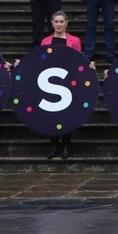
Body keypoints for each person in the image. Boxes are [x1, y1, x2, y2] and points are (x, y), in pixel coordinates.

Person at [39, 11, 84, 160]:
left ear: (66, 23)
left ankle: (65, 145)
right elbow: (41, 61)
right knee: (51, 115)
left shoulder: (75, 41)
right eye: (56, 21)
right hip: (49, 82)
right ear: (52, 23)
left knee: (67, 114)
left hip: (68, 81)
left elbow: (78, 60)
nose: (59, 24)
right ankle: (54, 145)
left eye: (61, 21)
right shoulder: (45, 41)